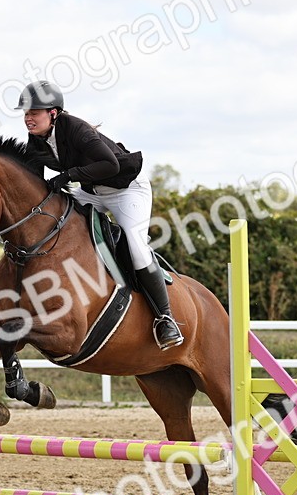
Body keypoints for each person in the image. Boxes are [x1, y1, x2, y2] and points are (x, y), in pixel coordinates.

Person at [17, 80, 183, 350]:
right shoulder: (36, 139)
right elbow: (32, 175)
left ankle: (166, 319)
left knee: (137, 248)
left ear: (54, 113)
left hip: (126, 189)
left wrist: (68, 175)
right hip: (91, 191)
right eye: (26, 113)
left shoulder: (76, 129)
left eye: (34, 113)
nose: (28, 119)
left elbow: (110, 164)